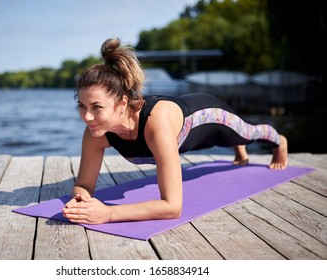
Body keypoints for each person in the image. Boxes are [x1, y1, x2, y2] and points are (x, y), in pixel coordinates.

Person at [62, 37, 288, 225]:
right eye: (82, 106)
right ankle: (236, 146)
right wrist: (81, 201)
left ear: (122, 103)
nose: (87, 117)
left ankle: (280, 142)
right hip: (183, 133)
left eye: (97, 107)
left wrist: (107, 214)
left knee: (246, 133)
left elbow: (172, 206)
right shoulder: (96, 132)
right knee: (215, 143)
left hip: (208, 113)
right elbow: (83, 185)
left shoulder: (155, 125)